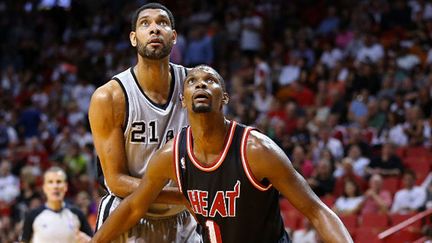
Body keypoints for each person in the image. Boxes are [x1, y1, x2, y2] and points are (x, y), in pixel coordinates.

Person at [91, 65, 353, 243]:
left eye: (210, 81)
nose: (201, 84)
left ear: (224, 97)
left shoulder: (257, 150)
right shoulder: (171, 155)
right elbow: (135, 206)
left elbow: (317, 211)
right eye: (192, 81)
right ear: (183, 99)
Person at [88, 3, 199, 242]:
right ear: (133, 38)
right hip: (128, 212)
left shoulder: (194, 87)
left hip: (183, 219)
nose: (154, 29)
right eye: (145, 24)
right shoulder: (109, 97)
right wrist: (184, 195)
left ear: (174, 36)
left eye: (162, 23)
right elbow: (116, 181)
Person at [20, 166, 93, 243]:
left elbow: (93, 240)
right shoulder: (32, 215)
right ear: (44, 187)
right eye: (50, 182)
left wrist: (89, 240)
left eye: (59, 182)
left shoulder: (77, 214)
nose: (55, 186)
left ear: (65, 186)